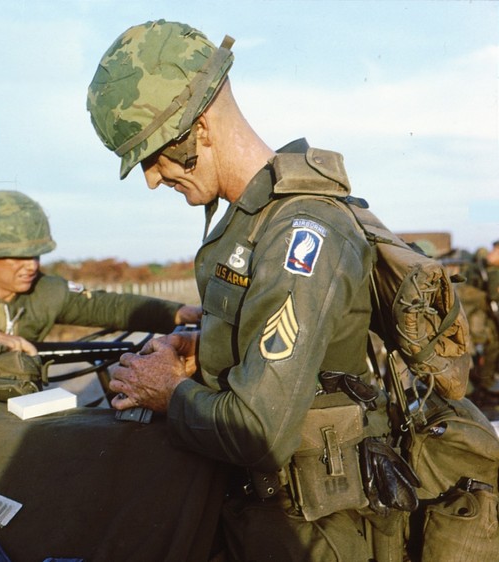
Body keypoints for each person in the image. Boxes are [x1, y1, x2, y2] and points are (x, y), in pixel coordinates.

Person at [86, 20, 399, 561]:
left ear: (198, 129)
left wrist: (170, 392)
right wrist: (202, 357)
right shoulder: (252, 223)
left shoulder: (299, 235)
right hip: (258, 510)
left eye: (154, 155)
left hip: (308, 533)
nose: (153, 179)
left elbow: (259, 432)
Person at [0, 190, 201, 385]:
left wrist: (177, 313)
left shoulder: (44, 290)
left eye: (35, 254)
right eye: (18, 256)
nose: (31, 265)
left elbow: (106, 306)